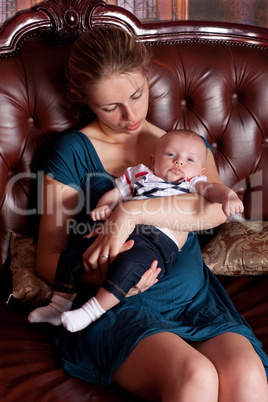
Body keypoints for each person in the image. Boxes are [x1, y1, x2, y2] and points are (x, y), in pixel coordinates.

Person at [33, 25, 268, 402]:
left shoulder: (186, 147)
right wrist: (97, 275)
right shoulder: (72, 153)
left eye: (137, 95)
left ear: (146, 76)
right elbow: (46, 259)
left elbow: (212, 214)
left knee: (249, 378)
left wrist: (128, 212)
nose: (130, 115)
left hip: (194, 300)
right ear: (85, 101)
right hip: (118, 302)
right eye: (109, 107)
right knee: (196, 378)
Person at [29, 129, 244, 332]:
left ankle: (90, 312)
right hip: (119, 231)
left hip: (157, 241)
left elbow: (213, 190)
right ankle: (58, 307)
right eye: (170, 154)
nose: (179, 161)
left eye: (190, 160)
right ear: (153, 160)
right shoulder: (140, 175)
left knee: (128, 266)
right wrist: (105, 206)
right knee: (73, 256)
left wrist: (229, 196)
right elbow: (116, 193)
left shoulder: (192, 183)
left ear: (200, 171)